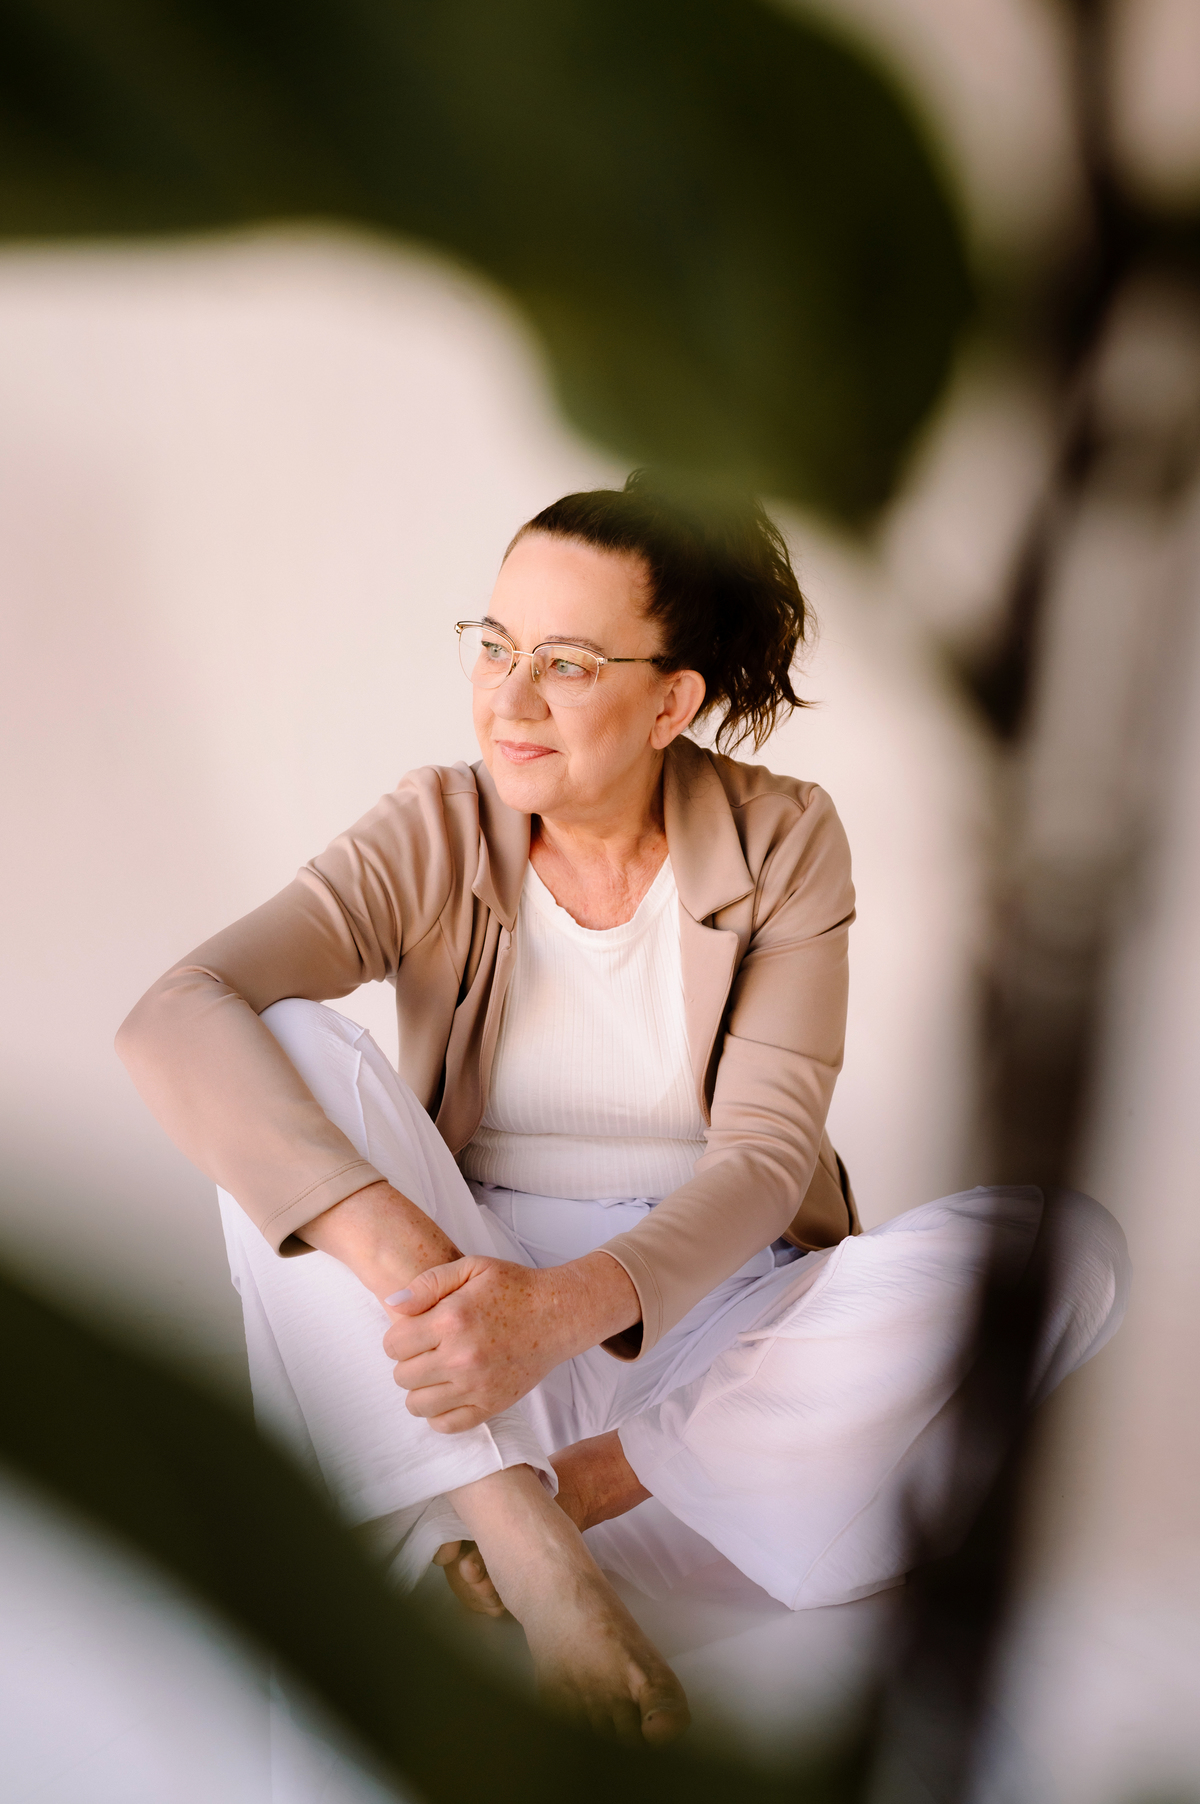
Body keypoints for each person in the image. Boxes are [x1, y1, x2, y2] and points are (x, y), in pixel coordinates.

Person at [117, 471, 1129, 1748]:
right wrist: (459, 1305)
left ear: (673, 701)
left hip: (701, 1387)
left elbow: (766, 1157)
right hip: (465, 1370)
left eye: (566, 662)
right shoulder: (437, 825)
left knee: (1064, 1248)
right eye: (492, 646)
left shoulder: (784, 839)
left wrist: (559, 1316)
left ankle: (570, 1511)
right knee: (274, 1040)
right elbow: (174, 1012)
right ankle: (520, 1542)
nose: (509, 697)